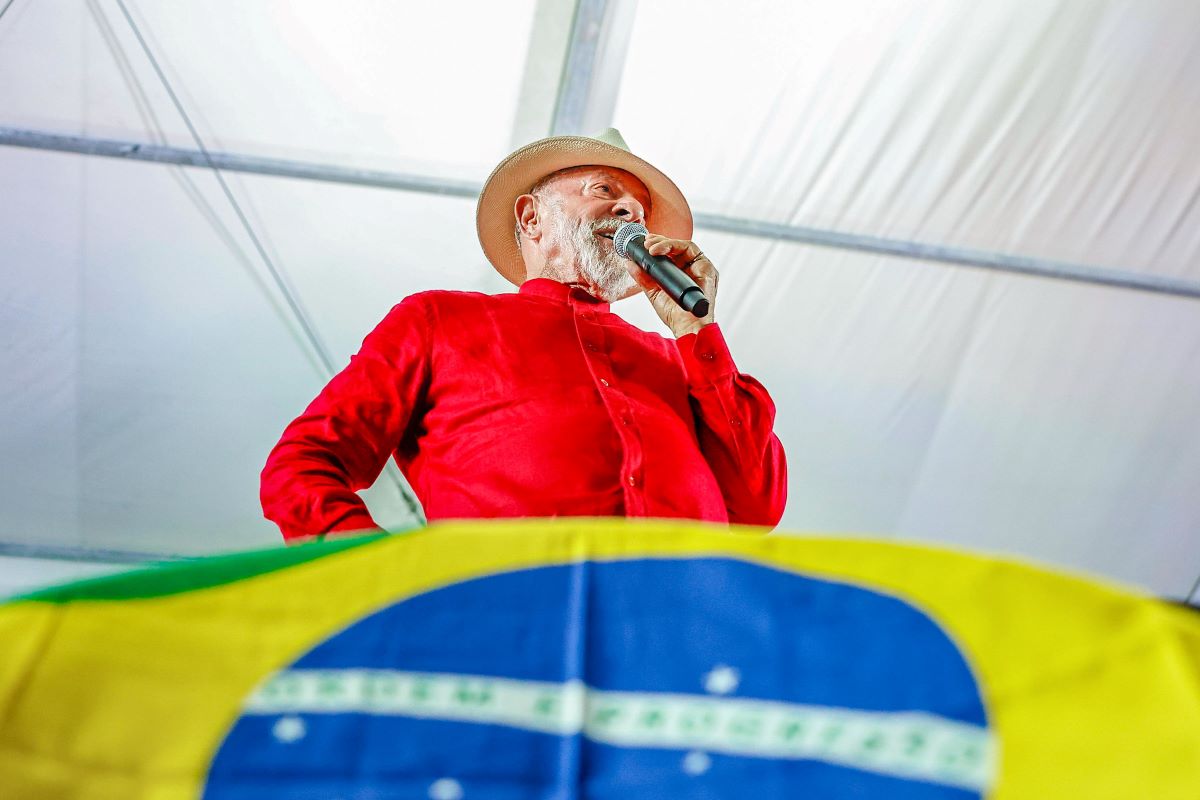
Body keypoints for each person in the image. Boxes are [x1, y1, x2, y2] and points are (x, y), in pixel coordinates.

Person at [261, 129, 787, 542]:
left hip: (682, 650)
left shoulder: (683, 365)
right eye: (605, 190)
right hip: (505, 641)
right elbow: (303, 464)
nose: (631, 212)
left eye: (641, 210)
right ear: (532, 218)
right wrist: (389, 584)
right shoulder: (438, 320)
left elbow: (756, 508)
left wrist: (697, 333)